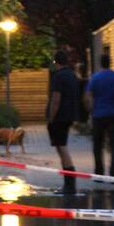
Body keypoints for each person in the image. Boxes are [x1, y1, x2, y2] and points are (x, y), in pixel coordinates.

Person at [85, 53, 114, 177]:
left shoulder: (95, 78)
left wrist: (91, 111)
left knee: (97, 145)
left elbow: (88, 97)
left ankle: (99, 173)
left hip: (98, 116)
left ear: (100, 63)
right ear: (110, 62)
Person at [46, 49, 81, 194]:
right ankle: (69, 183)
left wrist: (50, 118)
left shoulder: (58, 77)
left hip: (59, 117)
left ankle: (70, 184)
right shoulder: (72, 75)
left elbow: (56, 99)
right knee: (62, 147)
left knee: (62, 148)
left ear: (55, 62)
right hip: (69, 115)